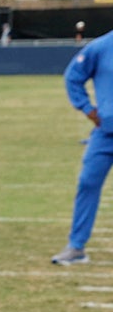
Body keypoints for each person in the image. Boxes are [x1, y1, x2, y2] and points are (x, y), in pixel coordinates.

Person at [53, 31, 113, 264]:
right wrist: (87, 108)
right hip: (105, 133)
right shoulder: (100, 46)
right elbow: (73, 76)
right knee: (87, 182)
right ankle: (76, 246)